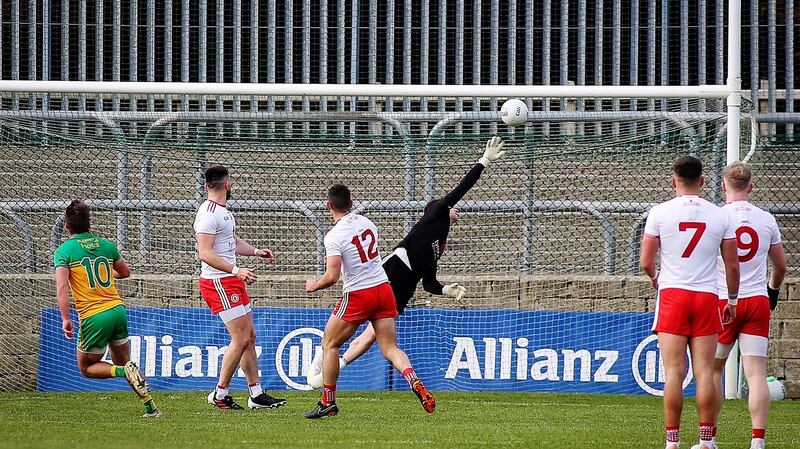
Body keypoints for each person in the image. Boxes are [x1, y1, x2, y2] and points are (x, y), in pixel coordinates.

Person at [307, 136, 506, 389]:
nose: (456, 211)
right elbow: (460, 189)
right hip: (393, 271)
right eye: (452, 209)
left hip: (405, 288)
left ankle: (334, 367)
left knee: (371, 338)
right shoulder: (436, 212)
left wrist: (446, 289)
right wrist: (484, 162)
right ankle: (323, 356)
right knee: (357, 326)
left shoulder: (439, 243)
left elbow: (429, 282)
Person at [304, 184, 435, 419]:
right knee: (390, 348)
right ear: (351, 204)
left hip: (359, 294)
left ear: (328, 206)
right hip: (383, 290)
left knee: (330, 344)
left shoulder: (333, 236)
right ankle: (415, 382)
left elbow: (332, 276)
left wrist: (315, 284)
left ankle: (328, 402)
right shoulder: (368, 223)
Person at [639, 155, 740, 449]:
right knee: (706, 371)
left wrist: (656, 278)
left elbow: (646, 260)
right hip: (707, 295)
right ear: (703, 181)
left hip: (673, 294)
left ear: (673, 181)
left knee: (673, 372)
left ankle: (673, 441)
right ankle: (707, 441)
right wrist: (731, 299)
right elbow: (732, 266)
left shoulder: (659, 212)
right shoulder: (721, 215)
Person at [703, 162, 787, 449]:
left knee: (713, 370)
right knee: (756, 373)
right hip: (757, 301)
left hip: (724, 302)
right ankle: (757, 441)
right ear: (751, 186)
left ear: (723, 185)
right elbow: (780, 267)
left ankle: (709, 438)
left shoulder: (716, 217)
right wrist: (772, 291)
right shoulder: (766, 219)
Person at [54, 200, 162, 418]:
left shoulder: (64, 251)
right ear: (89, 223)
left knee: (87, 368)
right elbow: (125, 273)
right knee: (125, 360)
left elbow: (62, 286)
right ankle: (151, 408)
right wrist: (104, 276)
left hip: (94, 315)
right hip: (117, 309)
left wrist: (66, 318)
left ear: (66, 226)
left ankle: (123, 371)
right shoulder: (106, 245)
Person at [194, 165, 286, 410]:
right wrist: (237, 270)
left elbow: (229, 242)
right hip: (218, 282)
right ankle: (220, 393)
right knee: (241, 337)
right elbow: (205, 253)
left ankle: (255, 393)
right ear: (228, 184)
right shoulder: (208, 213)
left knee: (249, 337)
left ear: (207, 186)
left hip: (230, 280)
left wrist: (255, 251)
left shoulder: (222, 212)